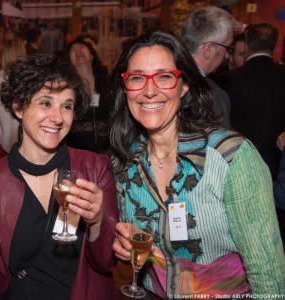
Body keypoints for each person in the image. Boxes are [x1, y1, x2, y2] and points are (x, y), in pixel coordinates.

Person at [110, 31, 285, 296]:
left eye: (164, 77)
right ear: (126, 89)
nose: (149, 90)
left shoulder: (231, 157)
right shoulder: (126, 161)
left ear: (184, 85)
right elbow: (141, 247)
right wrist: (126, 244)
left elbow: (268, 275)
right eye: (136, 78)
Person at [0, 54, 119, 300]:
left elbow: (105, 263)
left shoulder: (94, 168)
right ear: (18, 106)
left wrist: (96, 221)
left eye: (67, 106)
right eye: (46, 103)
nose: (58, 118)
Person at [216, 23, 285, 179]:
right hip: (277, 167)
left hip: (236, 165)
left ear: (247, 46)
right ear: (275, 48)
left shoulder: (227, 80)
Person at [181, 6, 237, 127]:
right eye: (227, 48)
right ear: (208, 50)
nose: (227, 56)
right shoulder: (212, 95)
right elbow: (224, 145)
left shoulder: (164, 78)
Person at [65, 36, 110, 153]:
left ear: (92, 56)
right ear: (69, 61)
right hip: (77, 155)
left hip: (109, 155)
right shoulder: (67, 90)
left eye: (82, 48)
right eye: (73, 50)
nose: (78, 50)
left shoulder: (108, 84)